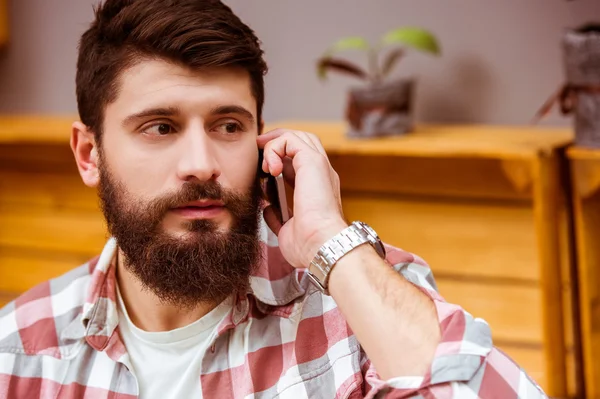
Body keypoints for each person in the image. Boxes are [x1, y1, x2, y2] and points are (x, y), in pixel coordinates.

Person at [0, 1, 547, 398]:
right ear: (89, 153)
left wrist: (329, 242)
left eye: (229, 125)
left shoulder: (356, 313)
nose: (202, 163)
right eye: (160, 127)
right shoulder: (18, 349)